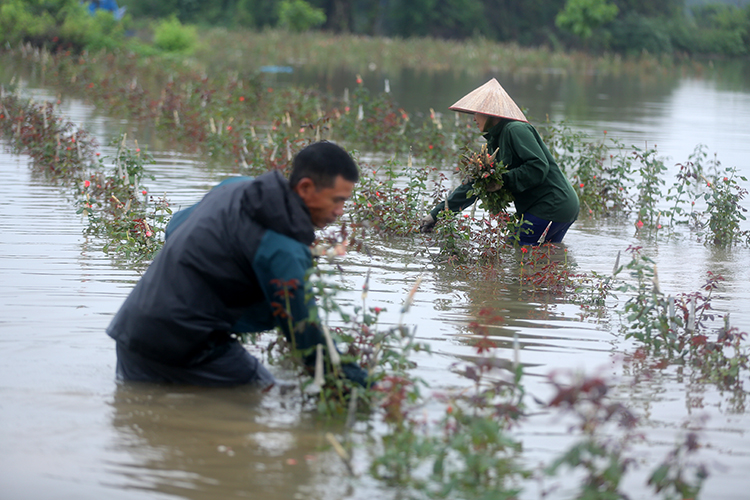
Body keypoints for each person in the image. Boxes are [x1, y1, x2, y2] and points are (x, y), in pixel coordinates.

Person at [107, 141, 368, 389]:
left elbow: (175, 227)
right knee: (260, 396)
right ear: (305, 187)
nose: (340, 211)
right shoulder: (284, 249)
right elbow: (305, 333)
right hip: (182, 346)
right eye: (337, 200)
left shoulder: (237, 186)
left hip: (133, 332)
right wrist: (365, 387)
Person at [420, 78, 579, 245]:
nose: (473, 119)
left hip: (553, 203)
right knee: (546, 259)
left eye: (476, 112)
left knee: (515, 247)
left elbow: (538, 166)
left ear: (490, 113)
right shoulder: (494, 143)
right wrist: (435, 215)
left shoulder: (516, 129)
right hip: (554, 205)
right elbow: (473, 186)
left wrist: (502, 181)